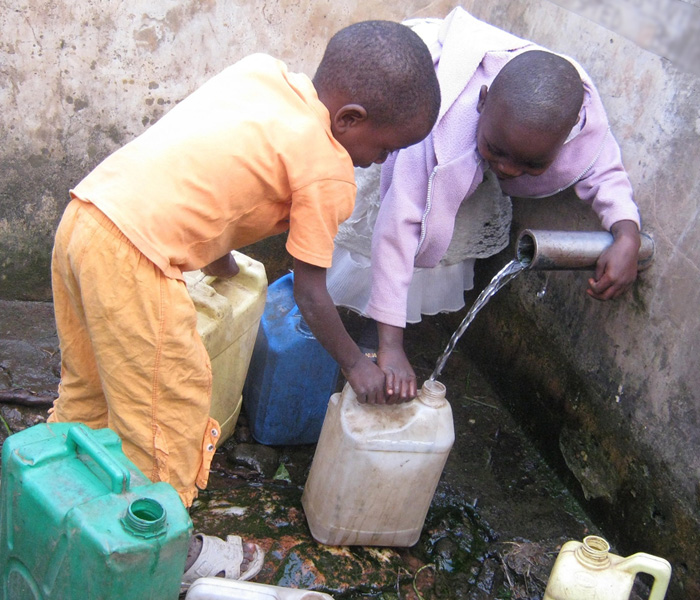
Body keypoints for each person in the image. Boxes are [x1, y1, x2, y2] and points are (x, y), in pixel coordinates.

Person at [48, 20, 440, 590]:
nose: (379, 162)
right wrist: (356, 364)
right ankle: (159, 551)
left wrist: (220, 261)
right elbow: (309, 290)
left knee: (88, 389)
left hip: (86, 218)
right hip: (134, 260)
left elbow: (213, 173)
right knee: (169, 414)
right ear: (349, 120)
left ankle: (47, 498)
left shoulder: (263, 75)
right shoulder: (329, 170)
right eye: (385, 148)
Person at [327, 7, 642, 402]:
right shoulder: (442, 125)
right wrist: (392, 346)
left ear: (565, 141)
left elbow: (604, 169)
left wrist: (626, 232)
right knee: (383, 213)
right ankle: (369, 326)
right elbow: (400, 224)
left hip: (473, 140)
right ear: (482, 102)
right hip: (414, 92)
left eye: (531, 164)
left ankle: (382, 325)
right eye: (497, 151)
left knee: (446, 230)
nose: (508, 170)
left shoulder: (576, 121)